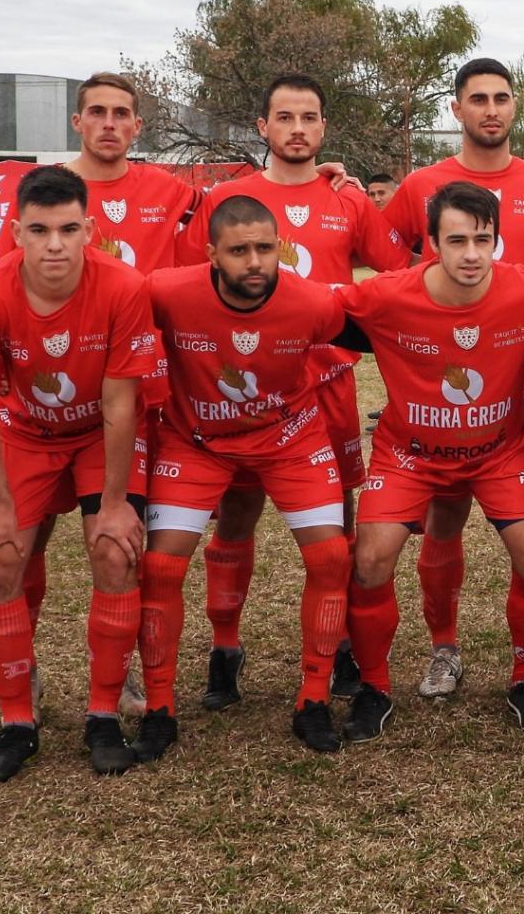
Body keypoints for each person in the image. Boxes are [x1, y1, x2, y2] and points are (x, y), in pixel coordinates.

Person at [175, 73, 410, 709]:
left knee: (338, 526)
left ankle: (340, 648)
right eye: (284, 118)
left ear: (324, 127)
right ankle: (225, 645)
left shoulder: (348, 199)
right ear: (263, 127)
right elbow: (184, 281)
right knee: (236, 515)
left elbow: (401, 273)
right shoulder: (229, 197)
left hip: (325, 384)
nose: (297, 129)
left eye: (309, 117)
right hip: (246, 388)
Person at [378, 57, 524, 698]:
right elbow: (387, 250)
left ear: (514, 105)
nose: (491, 109)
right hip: (447, 381)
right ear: (456, 110)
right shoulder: (423, 183)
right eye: (477, 98)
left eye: (501, 97)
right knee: (444, 517)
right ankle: (443, 648)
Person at [0, 72, 206, 720]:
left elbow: (208, 260)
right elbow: (9, 287)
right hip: (48, 401)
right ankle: (20, 675)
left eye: (122, 113)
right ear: (76, 122)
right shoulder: (44, 196)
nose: (110, 123)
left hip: (135, 398)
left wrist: (331, 172)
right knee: (25, 544)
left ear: (138, 126)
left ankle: (123, 676)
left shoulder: (171, 194)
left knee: (122, 543)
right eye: (97, 112)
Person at [335, 181, 524, 741]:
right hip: (410, 455)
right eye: (456, 241)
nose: (471, 254)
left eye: (483, 239)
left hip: (500, 452)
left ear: (497, 240)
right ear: (431, 242)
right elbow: (305, 302)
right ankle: (374, 688)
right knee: (370, 559)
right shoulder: (388, 294)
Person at [0, 166, 157, 782]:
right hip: (25, 435)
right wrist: (2, 507)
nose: (55, 245)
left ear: (90, 229)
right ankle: (18, 721)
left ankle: (102, 715)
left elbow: (122, 403)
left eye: (69, 229)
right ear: (15, 232)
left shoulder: (123, 286)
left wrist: (117, 502)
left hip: (99, 435)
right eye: (38, 230)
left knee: (115, 553)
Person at [133, 195, 354, 759]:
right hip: (197, 441)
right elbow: (107, 309)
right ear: (210, 253)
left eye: (265, 248)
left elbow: (382, 327)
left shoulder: (312, 303)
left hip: (290, 438)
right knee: (159, 567)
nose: (254, 262)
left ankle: (314, 699)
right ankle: (163, 704)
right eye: (239, 251)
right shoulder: (167, 291)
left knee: (331, 558)